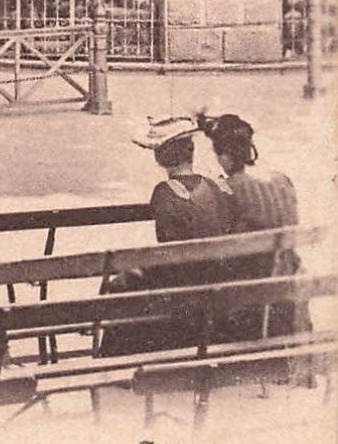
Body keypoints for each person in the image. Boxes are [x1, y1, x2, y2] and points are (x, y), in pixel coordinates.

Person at [99, 116, 235, 356]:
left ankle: (112, 358)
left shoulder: (164, 193)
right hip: (215, 281)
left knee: (121, 283)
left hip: (183, 286)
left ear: (160, 157)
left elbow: (167, 247)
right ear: (190, 153)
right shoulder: (213, 186)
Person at [201, 113, 311, 342]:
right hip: (288, 292)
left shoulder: (227, 189)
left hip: (250, 304)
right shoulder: (282, 180)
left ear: (223, 157)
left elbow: (224, 248)